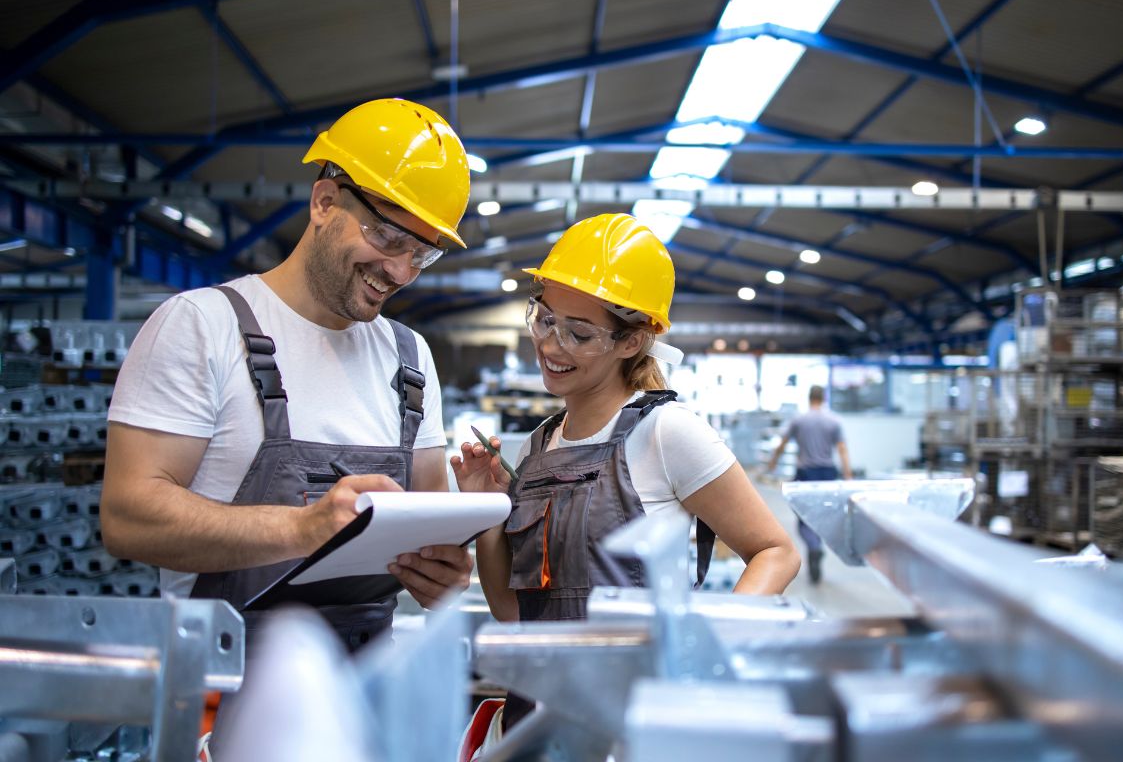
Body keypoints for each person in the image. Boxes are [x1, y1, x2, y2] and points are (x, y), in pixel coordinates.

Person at [99, 99, 475, 744]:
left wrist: (444, 573)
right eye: (388, 237)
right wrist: (302, 528)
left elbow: (431, 523)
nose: (402, 271)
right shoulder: (203, 326)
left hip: (362, 715)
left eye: (424, 253)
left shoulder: (410, 358)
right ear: (325, 201)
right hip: (219, 716)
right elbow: (128, 517)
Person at [452, 213, 801, 732]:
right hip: (538, 724)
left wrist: (701, 648)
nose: (551, 346)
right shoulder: (535, 449)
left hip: (635, 723)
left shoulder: (666, 432)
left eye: (579, 333)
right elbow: (511, 612)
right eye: (545, 319)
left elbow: (777, 552)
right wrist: (486, 513)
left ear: (632, 341)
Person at [766, 385, 852, 584]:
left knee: (804, 518)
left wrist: (773, 462)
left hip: (805, 473)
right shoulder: (833, 421)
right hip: (828, 474)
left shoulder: (799, 420)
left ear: (809, 397)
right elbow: (842, 449)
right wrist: (848, 475)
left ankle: (813, 546)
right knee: (823, 515)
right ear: (824, 398)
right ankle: (817, 546)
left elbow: (783, 443)